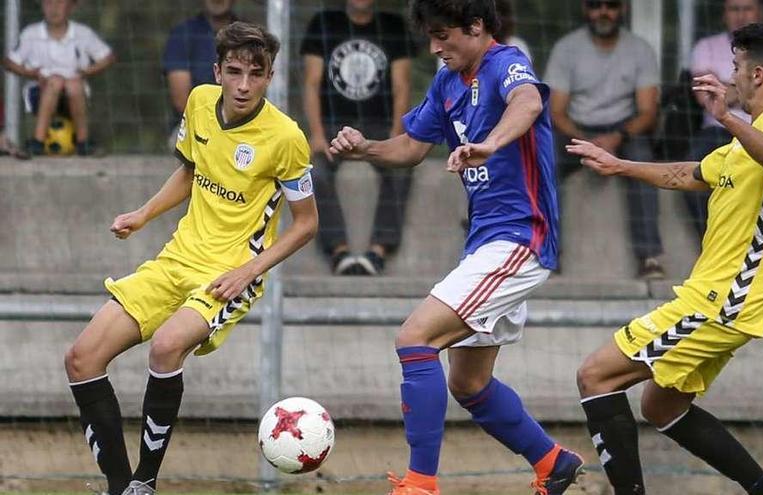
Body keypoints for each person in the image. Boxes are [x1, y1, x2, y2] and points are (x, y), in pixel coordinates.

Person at [329, 1, 583, 493]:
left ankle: (419, 484)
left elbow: (528, 103)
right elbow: (410, 146)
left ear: (477, 27)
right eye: (429, 37)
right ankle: (553, 462)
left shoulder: (504, 63)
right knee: (467, 384)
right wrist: (367, 148)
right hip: (485, 244)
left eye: (443, 36)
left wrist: (490, 143)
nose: (434, 47)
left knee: (414, 338)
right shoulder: (446, 83)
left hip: (519, 238)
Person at [63, 22, 318, 495]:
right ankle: (121, 488)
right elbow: (189, 170)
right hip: (177, 259)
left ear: (270, 77)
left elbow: (306, 223)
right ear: (218, 70)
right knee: (81, 358)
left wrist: (249, 270)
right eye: (235, 72)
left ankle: (145, 482)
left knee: (166, 346)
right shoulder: (200, 102)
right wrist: (143, 214)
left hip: (229, 274)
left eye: (256, 74)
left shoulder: (286, 138)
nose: (244, 85)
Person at [567, 22, 763, 495]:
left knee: (595, 375)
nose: (731, 77)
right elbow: (689, 173)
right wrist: (618, 165)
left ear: (758, 74)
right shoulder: (747, 139)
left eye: (736, 67)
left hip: (724, 299)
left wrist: (727, 117)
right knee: (661, 406)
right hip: (722, 298)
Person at [545, 0, 664, 279]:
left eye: (611, 5)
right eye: (595, 5)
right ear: (585, 9)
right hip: (575, 129)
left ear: (623, 9)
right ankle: (549, 255)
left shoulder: (640, 49)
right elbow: (555, 112)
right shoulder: (566, 48)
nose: (603, 12)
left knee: (644, 161)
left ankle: (649, 258)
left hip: (624, 130)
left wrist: (616, 137)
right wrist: (585, 140)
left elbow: (648, 112)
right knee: (544, 159)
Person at [301, 0, 417, 275]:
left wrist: (394, 134)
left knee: (401, 169)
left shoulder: (393, 26)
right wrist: (317, 134)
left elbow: (402, 85)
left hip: (379, 124)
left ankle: (377, 251)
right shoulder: (324, 23)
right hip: (332, 125)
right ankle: (338, 251)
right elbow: (311, 82)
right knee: (314, 171)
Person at [684, 0, 763, 238]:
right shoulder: (705, 46)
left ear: (760, 12)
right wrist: (751, 88)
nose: (741, 15)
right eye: (734, 9)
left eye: (747, 8)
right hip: (717, 129)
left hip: (760, 128)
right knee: (694, 171)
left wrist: (725, 88)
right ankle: (714, 240)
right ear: (724, 14)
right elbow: (706, 99)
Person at [3, 0, 115, 156]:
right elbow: (9, 62)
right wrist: (32, 74)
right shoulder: (31, 33)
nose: (53, 9)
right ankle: (38, 141)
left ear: (71, 6)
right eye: (48, 3)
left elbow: (108, 57)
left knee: (74, 84)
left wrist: (86, 72)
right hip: (41, 92)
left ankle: (83, 142)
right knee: (54, 82)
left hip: (75, 94)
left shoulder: (83, 33)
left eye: (60, 3)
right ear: (42, 5)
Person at [162, 0, 237, 146]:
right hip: (194, 125)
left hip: (245, 123)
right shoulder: (182, 34)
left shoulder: (251, 34)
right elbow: (181, 100)